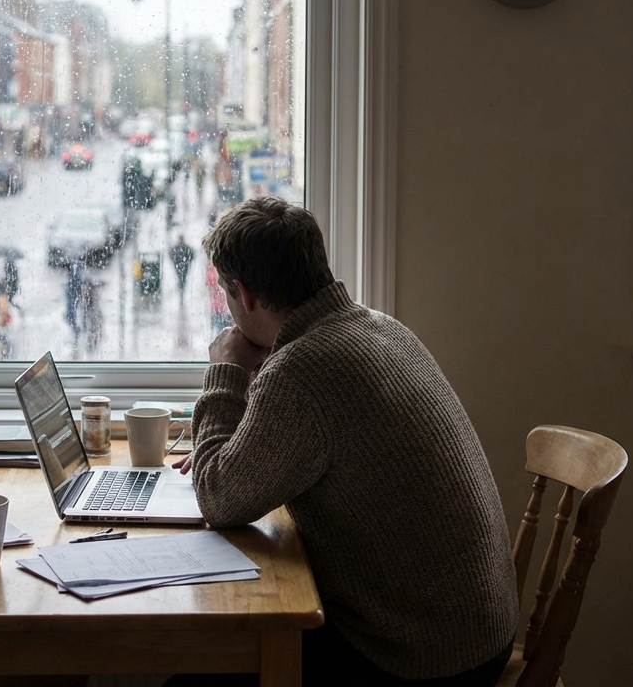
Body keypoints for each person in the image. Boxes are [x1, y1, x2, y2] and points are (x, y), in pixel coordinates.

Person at [171, 197, 516, 687]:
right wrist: (238, 445)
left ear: (244, 295)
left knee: (203, 673)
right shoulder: (379, 327)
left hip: (421, 660)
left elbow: (220, 500)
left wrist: (226, 367)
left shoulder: (302, 371)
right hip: (477, 634)